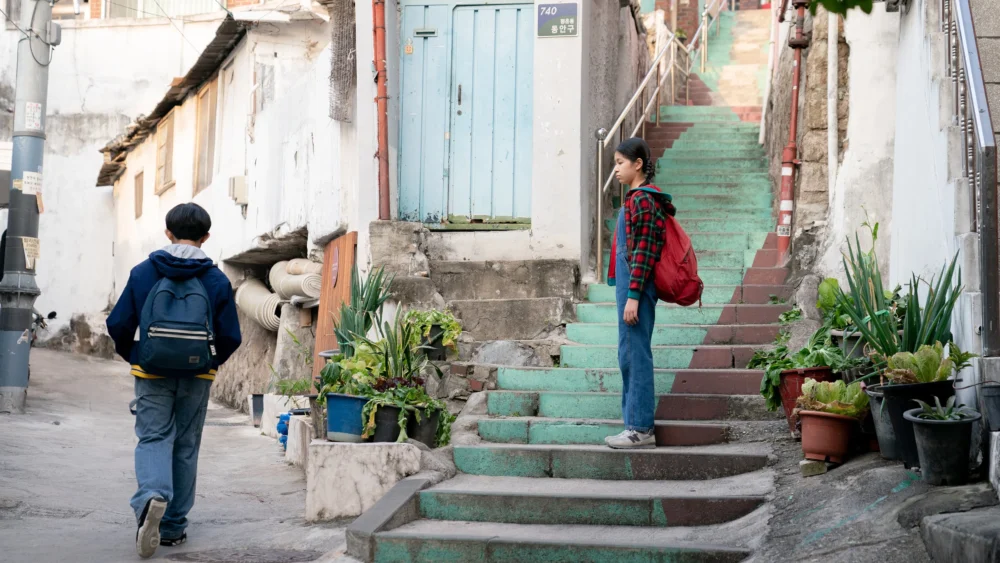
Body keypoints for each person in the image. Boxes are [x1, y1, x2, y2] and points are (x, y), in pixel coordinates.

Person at [106, 203, 242, 558]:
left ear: (168, 232)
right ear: (206, 237)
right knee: (185, 445)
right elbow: (231, 335)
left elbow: (118, 324)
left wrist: (135, 354)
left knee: (153, 437)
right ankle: (172, 527)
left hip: (151, 372)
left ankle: (152, 495)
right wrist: (210, 361)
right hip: (197, 374)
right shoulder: (216, 279)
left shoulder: (143, 272)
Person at [604, 137, 676, 449]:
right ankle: (633, 424)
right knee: (629, 354)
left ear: (638, 164)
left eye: (620, 163)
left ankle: (640, 428)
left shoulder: (643, 200)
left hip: (638, 288)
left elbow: (644, 251)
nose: (616, 169)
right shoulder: (635, 199)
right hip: (632, 286)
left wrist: (633, 295)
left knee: (635, 355)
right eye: (615, 164)